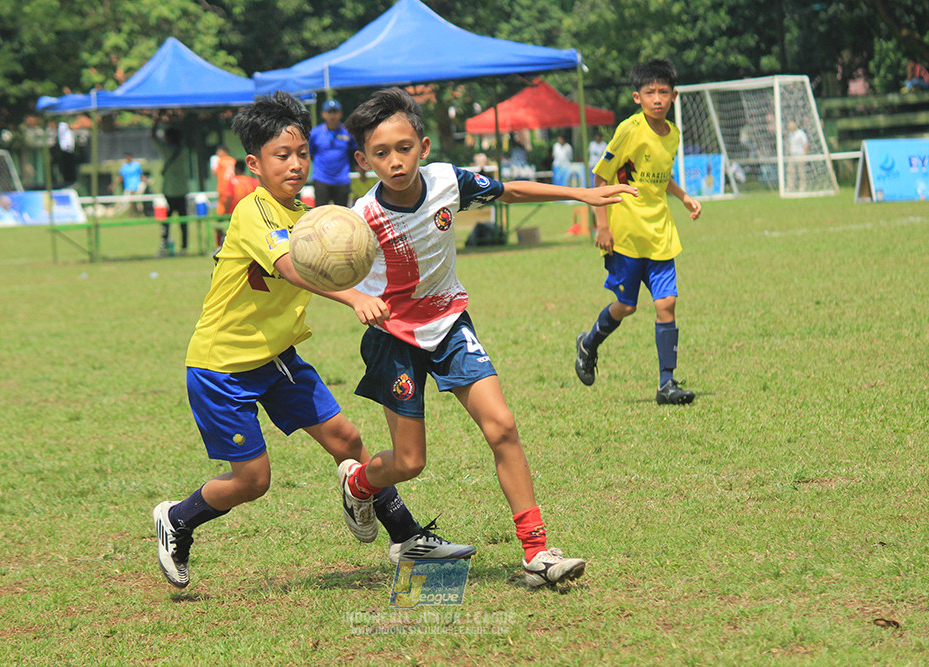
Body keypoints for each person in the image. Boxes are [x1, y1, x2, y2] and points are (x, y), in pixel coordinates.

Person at [153, 92, 472, 590]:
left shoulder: (308, 214)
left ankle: (406, 537)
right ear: (255, 164)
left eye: (302, 153)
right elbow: (294, 267)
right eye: (283, 156)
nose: (296, 164)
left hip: (277, 358)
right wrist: (353, 299)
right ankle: (177, 518)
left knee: (347, 440)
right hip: (222, 367)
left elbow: (335, 252)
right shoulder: (252, 213)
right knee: (253, 482)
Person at [339, 87, 636, 589]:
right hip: (393, 336)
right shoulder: (360, 218)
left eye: (404, 148)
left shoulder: (446, 181)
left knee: (502, 426)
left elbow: (510, 190)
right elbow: (323, 268)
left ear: (424, 146)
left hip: (450, 323)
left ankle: (537, 552)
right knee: (410, 462)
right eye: (381, 153)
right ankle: (358, 483)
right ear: (363, 160)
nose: (395, 161)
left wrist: (583, 195)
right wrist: (355, 298)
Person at [574, 59, 702, 405]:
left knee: (667, 304)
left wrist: (684, 197)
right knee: (626, 306)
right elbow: (600, 178)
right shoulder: (629, 130)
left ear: (673, 96)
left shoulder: (673, 134)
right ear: (637, 97)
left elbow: (661, 175)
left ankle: (666, 384)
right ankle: (588, 344)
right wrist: (602, 225)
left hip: (660, 234)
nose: (657, 99)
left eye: (663, 92)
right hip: (626, 235)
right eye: (650, 93)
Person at [309, 99, 364, 206]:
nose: (332, 116)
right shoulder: (315, 133)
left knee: (341, 213)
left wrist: (361, 170)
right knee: (320, 213)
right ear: (323, 114)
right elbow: (309, 153)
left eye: (335, 112)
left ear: (340, 114)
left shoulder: (347, 132)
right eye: (329, 112)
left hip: (342, 179)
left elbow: (355, 152)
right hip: (321, 178)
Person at [152, 119, 190, 256]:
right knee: (183, 221)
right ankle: (184, 247)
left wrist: (158, 119)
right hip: (182, 190)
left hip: (169, 191)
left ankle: (164, 245)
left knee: (166, 222)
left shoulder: (167, 150)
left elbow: (153, 136)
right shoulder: (183, 150)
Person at [786, 120, 808, 192]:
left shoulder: (801, 133)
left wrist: (805, 155)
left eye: (791, 125)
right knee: (790, 172)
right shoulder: (790, 134)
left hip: (800, 154)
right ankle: (790, 187)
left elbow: (805, 144)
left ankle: (802, 187)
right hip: (792, 155)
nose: (790, 127)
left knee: (801, 172)